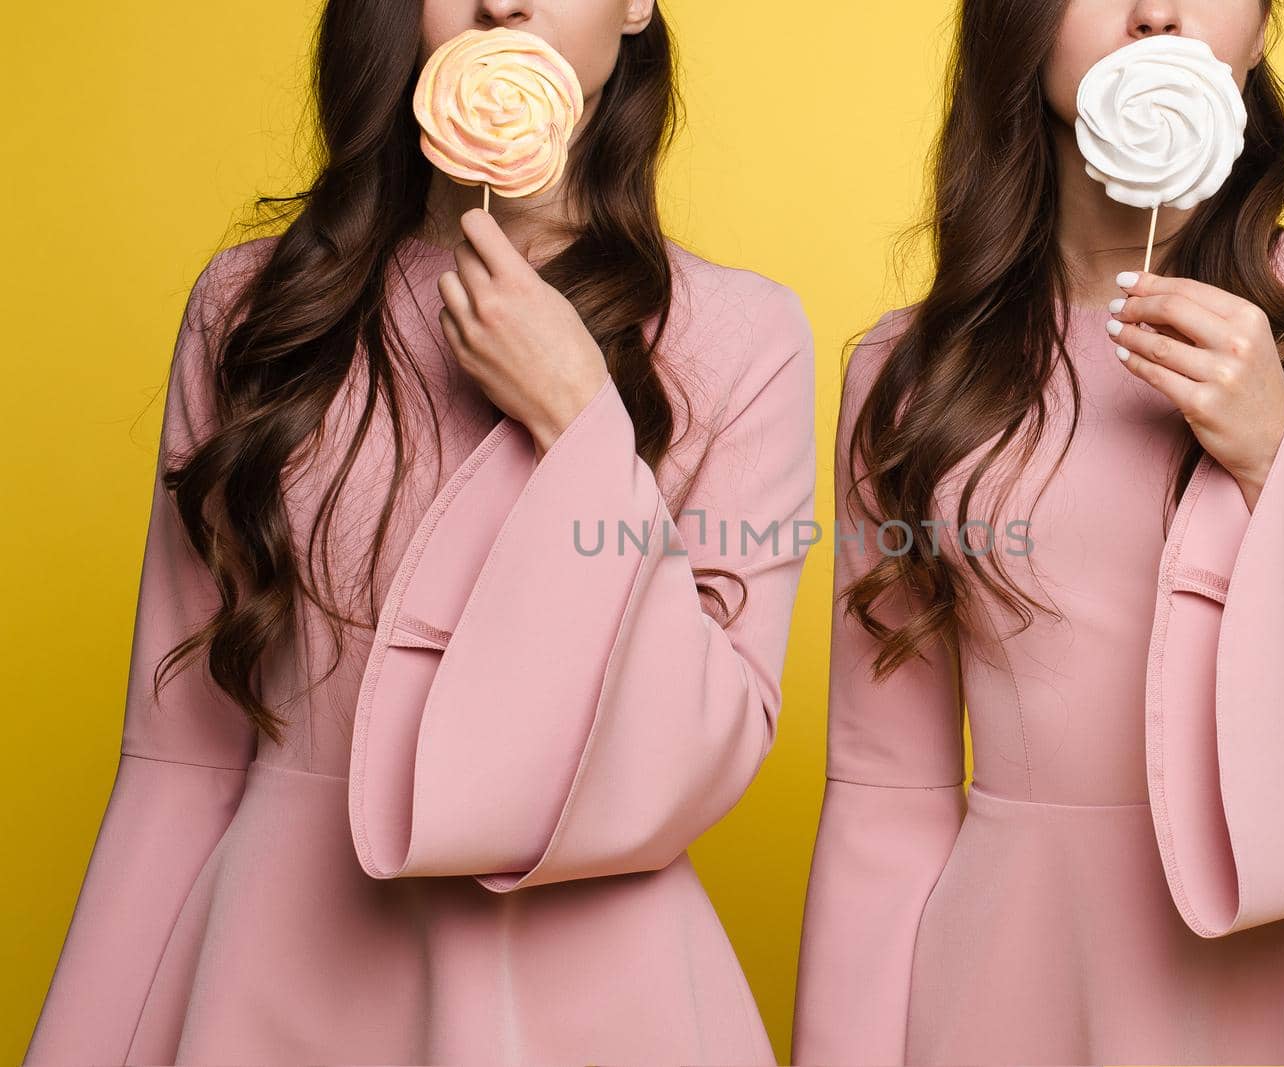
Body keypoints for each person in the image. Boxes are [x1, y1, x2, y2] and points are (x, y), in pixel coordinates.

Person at [25, 1, 815, 1063]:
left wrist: (581, 423)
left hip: (593, 997)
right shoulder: (255, 310)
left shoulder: (742, 335)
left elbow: (711, 745)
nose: (505, 3)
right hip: (274, 977)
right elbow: (175, 756)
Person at [791, 1, 1284, 1063]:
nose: (1157, 11)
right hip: (1008, 988)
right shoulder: (907, 378)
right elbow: (885, 791)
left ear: (1260, 28)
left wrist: (1274, 451)